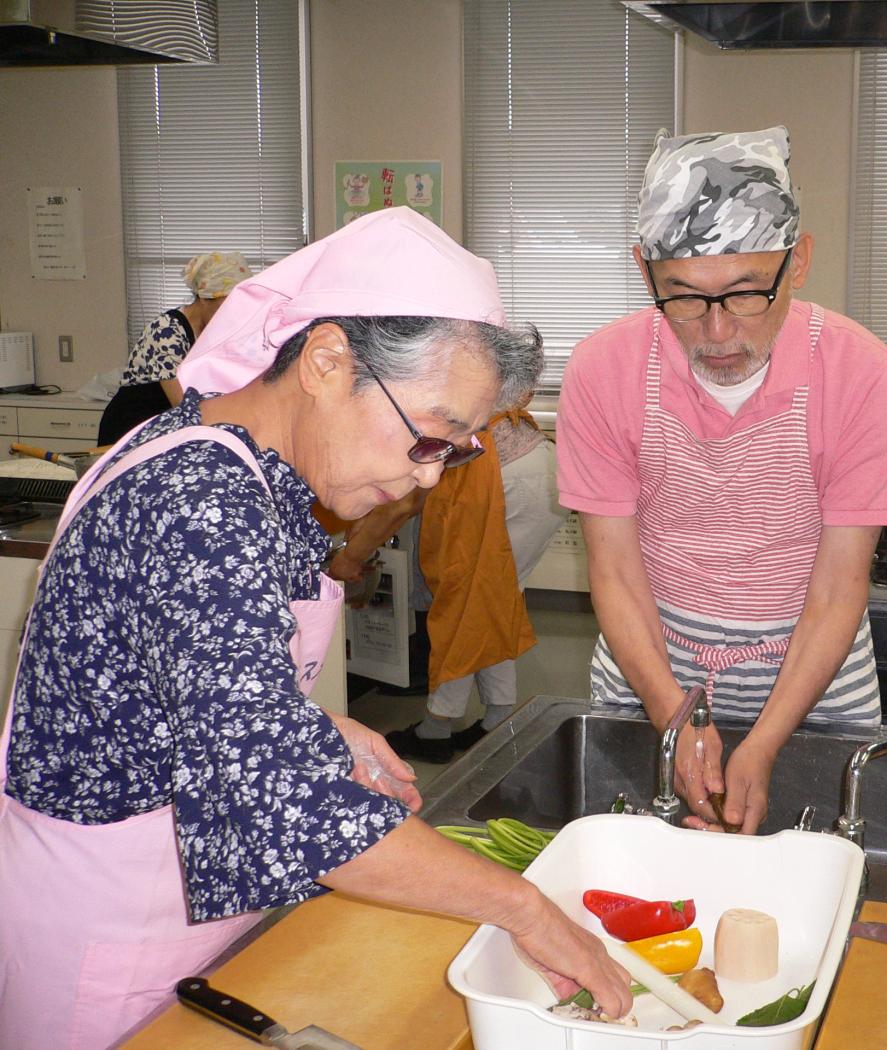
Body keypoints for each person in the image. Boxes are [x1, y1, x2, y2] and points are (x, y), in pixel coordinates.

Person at [0, 208, 631, 1050]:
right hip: (115, 941)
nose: (431, 478)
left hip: (190, 913)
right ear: (328, 361)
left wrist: (314, 727)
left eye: (454, 451)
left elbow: (173, 681)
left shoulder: (227, 457)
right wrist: (525, 910)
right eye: (429, 438)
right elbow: (281, 806)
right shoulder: (199, 504)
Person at [555, 126, 887, 835]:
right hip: (648, 672)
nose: (717, 332)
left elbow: (840, 586)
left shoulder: (861, 373)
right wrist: (674, 717)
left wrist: (769, 738)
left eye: (747, 293)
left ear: (798, 261)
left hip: (818, 684)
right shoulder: (602, 371)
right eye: (683, 297)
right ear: (644, 270)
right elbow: (617, 574)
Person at [328, 399, 567, 763]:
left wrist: (349, 560)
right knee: (491, 601)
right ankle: (499, 719)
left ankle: (435, 729)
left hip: (508, 481)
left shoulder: (401, 424)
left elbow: (399, 506)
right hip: (536, 468)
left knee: (466, 605)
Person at [98, 251, 252, 445]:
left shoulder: (211, 334)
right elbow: (183, 406)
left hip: (164, 432)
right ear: (205, 297)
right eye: (227, 304)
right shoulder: (167, 331)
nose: (234, 313)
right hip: (130, 433)